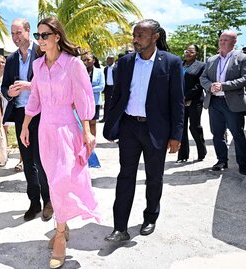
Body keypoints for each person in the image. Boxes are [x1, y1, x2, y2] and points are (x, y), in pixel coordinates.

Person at [20, 16, 100, 269]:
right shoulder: (37, 65)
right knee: (53, 182)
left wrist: (87, 131)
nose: (40, 40)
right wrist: (24, 125)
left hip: (68, 129)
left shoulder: (73, 64)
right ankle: (61, 228)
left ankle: (60, 238)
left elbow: (84, 98)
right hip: (45, 129)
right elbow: (35, 97)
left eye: (45, 35)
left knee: (63, 180)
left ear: (57, 36)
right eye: (38, 36)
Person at [103, 19, 184, 241]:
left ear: (155, 37)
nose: (135, 39)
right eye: (134, 35)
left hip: (156, 130)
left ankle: (150, 217)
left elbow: (177, 102)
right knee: (125, 176)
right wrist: (111, 125)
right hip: (129, 127)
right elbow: (117, 96)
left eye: (141, 35)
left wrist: (176, 135)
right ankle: (120, 227)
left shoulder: (171, 63)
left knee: (154, 177)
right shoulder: (126, 62)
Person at [1, 18, 52, 222]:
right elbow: (4, 86)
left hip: (41, 113)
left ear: (28, 31)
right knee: (28, 160)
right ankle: (34, 202)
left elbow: (50, 81)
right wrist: (10, 92)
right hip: (21, 114)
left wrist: (30, 86)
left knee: (42, 160)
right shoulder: (11, 59)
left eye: (18, 33)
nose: (15, 37)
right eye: (12, 33)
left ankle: (49, 200)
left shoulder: (41, 52)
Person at [200, 31, 246, 175]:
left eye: (226, 40)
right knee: (217, 134)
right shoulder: (211, 59)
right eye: (221, 39)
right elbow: (203, 77)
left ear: (234, 41)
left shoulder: (242, 58)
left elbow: (244, 78)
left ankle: (243, 163)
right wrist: (210, 86)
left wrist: (223, 86)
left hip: (232, 102)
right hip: (214, 102)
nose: (222, 42)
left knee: (237, 134)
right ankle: (221, 160)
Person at [176, 44, 207, 163]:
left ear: (196, 54)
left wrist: (186, 96)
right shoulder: (179, 65)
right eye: (186, 51)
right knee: (181, 128)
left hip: (194, 101)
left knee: (194, 127)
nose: (188, 53)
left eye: (191, 51)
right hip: (179, 102)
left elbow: (199, 85)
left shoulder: (201, 66)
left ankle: (201, 151)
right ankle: (182, 155)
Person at [82, 53, 105, 136]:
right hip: (83, 101)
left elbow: (102, 86)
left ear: (93, 61)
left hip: (95, 101)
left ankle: (93, 144)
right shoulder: (81, 71)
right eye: (84, 60)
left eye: (88, 60)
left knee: (92, 123)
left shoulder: (99, 72)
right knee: (84, 124)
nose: (86, 62)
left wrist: (89, 89)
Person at [100, 55, 115, 123]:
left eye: (108, 60)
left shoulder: (117, 67)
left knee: (115, 102)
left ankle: (113, 118)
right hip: (108, 88)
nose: (107, 61)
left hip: (115, 88)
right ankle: (105, 117)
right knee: (107, 103)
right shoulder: (106, 69)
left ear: (112, 60)